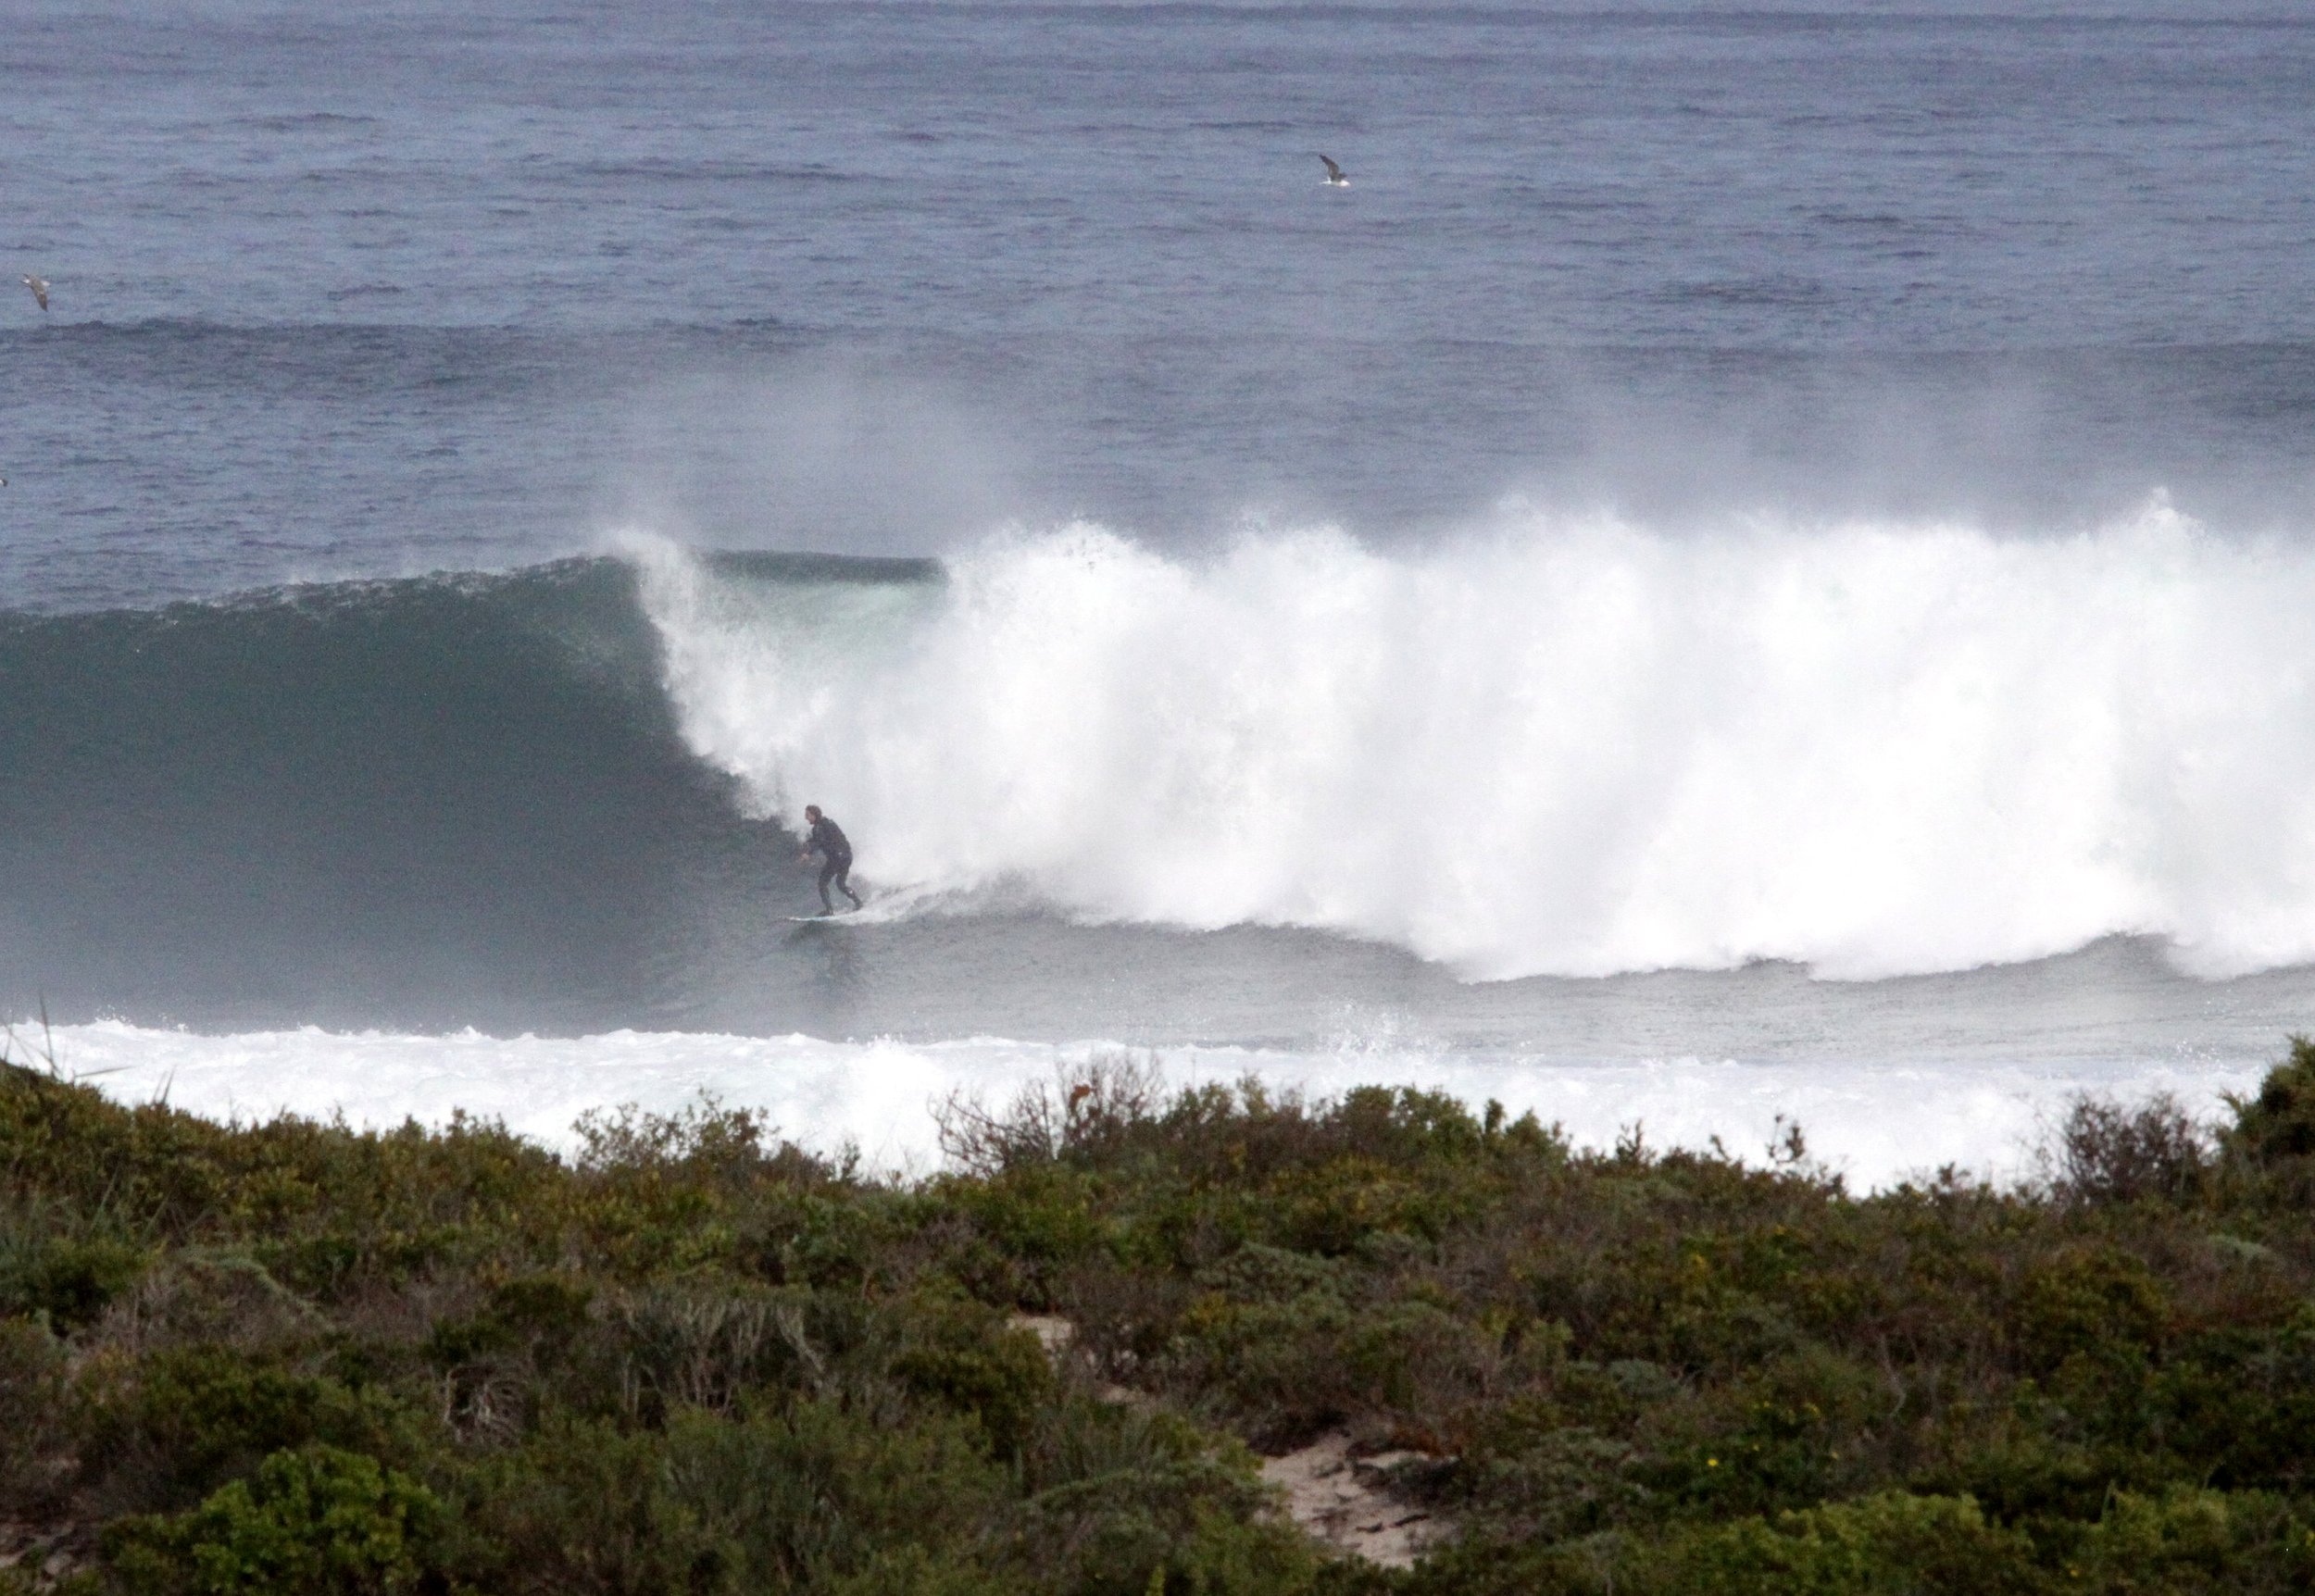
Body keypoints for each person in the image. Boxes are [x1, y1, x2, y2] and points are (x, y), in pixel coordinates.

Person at [796, 804, 863, 915]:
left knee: (822, 883)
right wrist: (809, 841)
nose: (806, 817)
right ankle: (858, 903)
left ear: (814, 815)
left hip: (836, 859)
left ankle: (829, 911)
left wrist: (808, 854)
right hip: (847, 856)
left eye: (807, 815)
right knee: (841, 884)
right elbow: (826, 838)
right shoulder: (829, 822)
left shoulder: (818, 828)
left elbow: (820, 842)